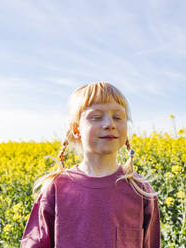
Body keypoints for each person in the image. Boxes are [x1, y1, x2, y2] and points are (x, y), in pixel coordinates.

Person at [21, 82, 160, 248]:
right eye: (96, 117)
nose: (110, 124)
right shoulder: (56, 188)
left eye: (118, 117)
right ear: (76, 129)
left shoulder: (140, 190)